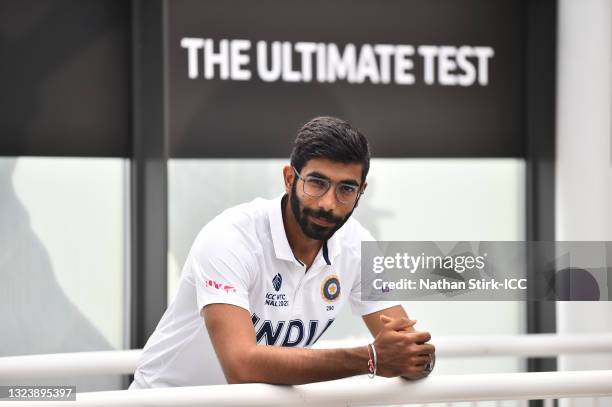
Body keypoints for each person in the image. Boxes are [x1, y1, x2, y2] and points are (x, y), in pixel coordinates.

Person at [130, 116, 435, 388]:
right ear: (290, 178)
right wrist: (370, 358)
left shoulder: (356, 245)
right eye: (317, 183)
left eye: (346, 189)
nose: (328, 203)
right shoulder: (229, 237)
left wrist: (417, 359)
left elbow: (408, 351)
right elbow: (241, 366)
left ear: (361, 192)